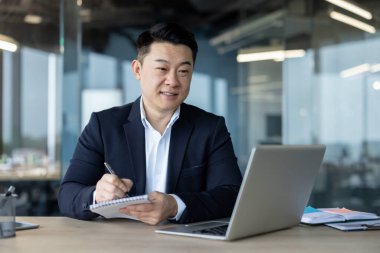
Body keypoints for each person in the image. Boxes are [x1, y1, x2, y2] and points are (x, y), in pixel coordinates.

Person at [58, 22, 242, 225]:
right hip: (118, 242)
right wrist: (97, 194)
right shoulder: (103, 125)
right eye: (162, 68)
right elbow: (68, 195)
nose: (172, 81)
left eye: (183, 71)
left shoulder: (210, 128)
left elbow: (231, 195)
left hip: (184, 243)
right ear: (138, 70)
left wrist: (174, 205)